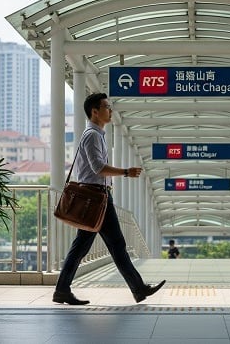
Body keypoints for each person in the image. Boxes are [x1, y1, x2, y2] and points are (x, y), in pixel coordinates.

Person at [53, 92, 166, 305]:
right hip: (95, 199)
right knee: (111, 245)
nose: (110, 110)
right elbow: (98, 168)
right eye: (106, 107)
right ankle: (138, 288)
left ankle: (63, 289)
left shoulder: (97, 134)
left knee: (98, 246)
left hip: (98, 198)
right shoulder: (93, 135)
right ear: (95, 111)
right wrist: (125, 172)